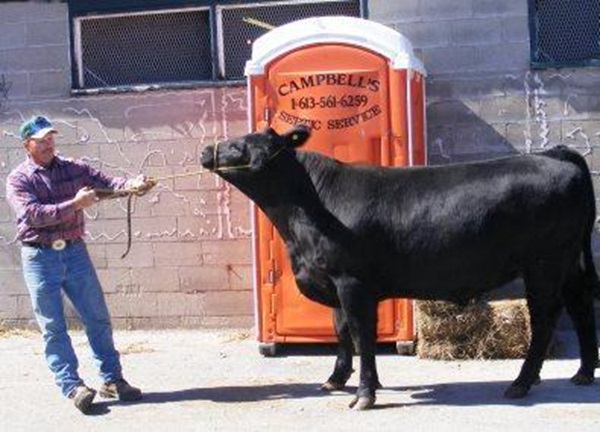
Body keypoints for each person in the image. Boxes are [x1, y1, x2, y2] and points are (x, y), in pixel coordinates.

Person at [6, 115, 154, 414]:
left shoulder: (74, 168)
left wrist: (134, 185)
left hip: (75, 252)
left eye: (51, 139)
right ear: (27, 145)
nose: (48, 145)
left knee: (97, 318)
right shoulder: (19, 179)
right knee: (53, 327)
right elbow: (33, 215)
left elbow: (108, 183)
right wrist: (75, 205)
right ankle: (72, 386)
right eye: (41, 141)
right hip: (39, 256)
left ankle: (112, 380)